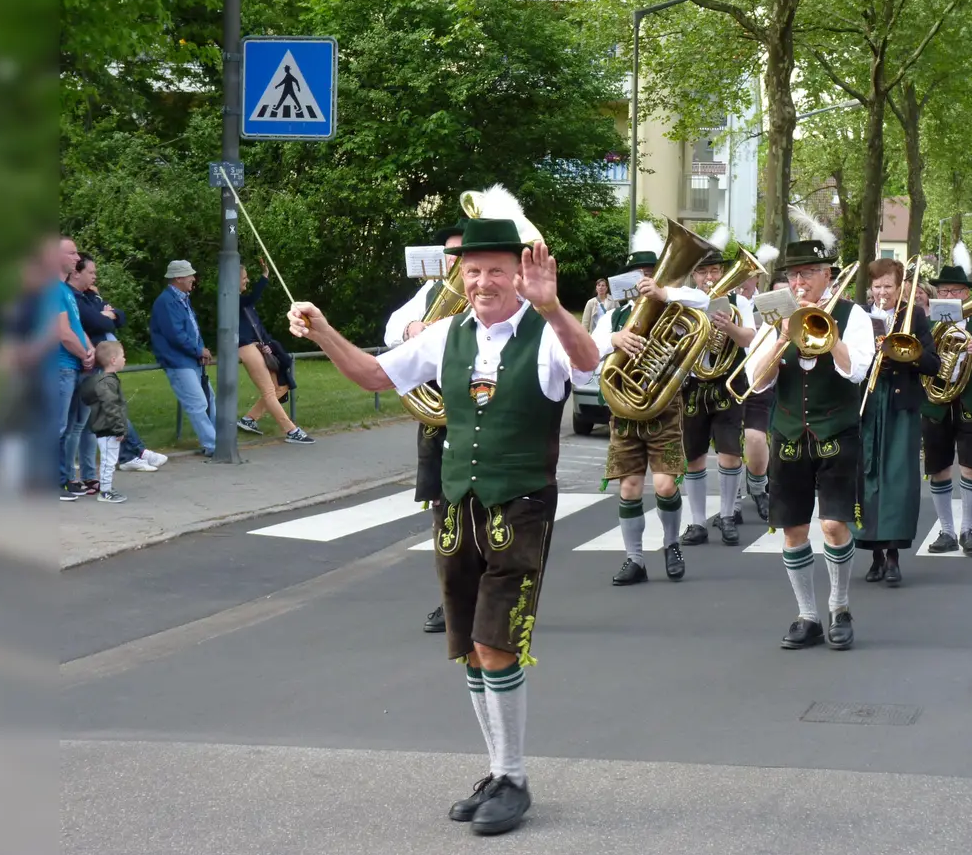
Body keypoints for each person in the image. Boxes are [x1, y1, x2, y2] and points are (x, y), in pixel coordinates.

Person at [286, 214, 600, 837]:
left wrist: (556, 308)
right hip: (458, 504)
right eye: (475, 270)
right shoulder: (446, 333)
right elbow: (376, 376)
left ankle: (512, 776)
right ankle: (498, 770)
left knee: (496, 641)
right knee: (468, 647)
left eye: (497, 271)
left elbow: (589, 366)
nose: (485, 281)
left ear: (520, 274)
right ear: (462, 272)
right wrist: (322, 332)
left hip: (521, 503)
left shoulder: (545, 331)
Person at [741, 213, 874, 650]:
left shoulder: (853, 316)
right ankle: (808, 615)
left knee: (834, 526)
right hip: (789, 436)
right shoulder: (775, 314)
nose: (799, 282)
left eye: (808, 274)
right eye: (793, 274)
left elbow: (856, 370)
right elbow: (754, 382)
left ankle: (839, 605)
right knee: (794, 530)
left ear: (827, 276)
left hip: (837, 431)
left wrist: (825, 327)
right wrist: (781, 336)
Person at [593, 223, 709, 585]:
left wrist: (664, 291)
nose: (643, 280)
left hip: (662, 407)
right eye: (638, 274)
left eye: (649, 273)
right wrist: (614, 338)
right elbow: (587, 357)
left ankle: (672, 544)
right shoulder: (613, 316)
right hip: (624, 409)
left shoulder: (674, 302)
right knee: (628, 487)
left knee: (664, 485)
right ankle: (635, 559)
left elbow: (705, 301)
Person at [385, 221, 467, 635]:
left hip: (482, 416)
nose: (454, 264)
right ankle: (451, 600)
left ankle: (487, 594)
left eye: (462, 256)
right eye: (449, 256)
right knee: (442, 512)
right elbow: (391, 328)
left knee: (487, 513)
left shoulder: (499, 299)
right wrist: (411, 330)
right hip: (438, 420)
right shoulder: (430, 292)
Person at [857, 258, 939, 586]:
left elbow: (932, 363)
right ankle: (874, 555)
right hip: (867, 401)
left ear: (900, 286)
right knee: (868, 476)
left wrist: (907, 355)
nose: (882, 293)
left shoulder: (914, 315)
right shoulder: (860, 315)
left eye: (888, 286)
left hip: (900, 403)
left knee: (898, 479)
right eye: (876, 287)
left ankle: (893, 556)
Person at [918, 260, 972, 556]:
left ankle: (968, 528)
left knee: (970, 467)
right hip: (935, 404)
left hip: (971, 402)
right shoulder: (926, 323)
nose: (950, 295)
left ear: (966, 294)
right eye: (944, 290)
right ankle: (946, 531)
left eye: (955, 290)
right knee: (939, 468)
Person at [679, 237, 758, 546]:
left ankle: (726, 515)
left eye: (713, 270)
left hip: (727, 384)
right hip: (693, 385)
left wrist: (729, 328)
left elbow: (748, 338)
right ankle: (698, 522)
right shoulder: (683, 303)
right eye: (702, 272)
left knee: (729, 453)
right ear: (693, 276)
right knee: (694, 456)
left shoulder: (738, 302)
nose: (709, 277)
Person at [70, 256, 166, 472]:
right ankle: (135, 453)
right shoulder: (74, 298)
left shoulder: (90, 297)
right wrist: (105, 316)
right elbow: (96, 322)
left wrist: (108, 314)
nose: (95, 277)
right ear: (77, 273)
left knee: (100, 413)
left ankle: (129, 455)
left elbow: (119, 318)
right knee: (103, 411)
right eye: (92, 273)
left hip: (100, 361)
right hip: (92, 362)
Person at [236, 263, 314, 443]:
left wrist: (267, 344)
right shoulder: (232, 299)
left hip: (258, 346)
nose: (247, 280)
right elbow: (252, 298)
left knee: (280, 388)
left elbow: (256, 326)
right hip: (246, 347)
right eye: (243, 277)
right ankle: (291, 431)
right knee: (270, 391)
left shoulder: (243, 302)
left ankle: (249, 419)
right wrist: (264, 277)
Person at [149, 260, 217, 457]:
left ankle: (217, 441)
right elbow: (175, 335)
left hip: (190, 359)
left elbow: (192, 329)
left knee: (208, 399)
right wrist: (198, 350)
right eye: (189, 275)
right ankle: (213, 445)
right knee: (198, 403)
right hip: (178, 361)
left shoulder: (181, 299)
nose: (193, 279)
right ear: (178, 278)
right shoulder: (167, 301)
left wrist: (200, 350)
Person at [50, 237, 96, 500]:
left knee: (68, 427)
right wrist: (84, 354)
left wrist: (88, 349)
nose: (77, 258)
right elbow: (63, 333)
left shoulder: (65, 290)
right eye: (72, 253)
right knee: (56, 426)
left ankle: (65, 478)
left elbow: (77, 328)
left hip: (74, 365)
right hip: (61, 366)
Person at [739, 270, 775, 522]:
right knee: (727, 447)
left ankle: (758, 488)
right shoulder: (724, 301)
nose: (743, 281)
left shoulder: (766, 303)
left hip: (759, 374)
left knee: (755, 437)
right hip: (727, 373)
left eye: (748, 275)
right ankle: (731, 504)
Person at [80, 341, 130, 503]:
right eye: (123, 356)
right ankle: (105, 492)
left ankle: (107, 488)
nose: (125, 359)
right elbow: (111, 406)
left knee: (109, 459)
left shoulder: (107, 380)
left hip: (107, 428)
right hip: (108, 428)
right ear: (113, 360)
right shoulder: (107, 382)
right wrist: (118, 428)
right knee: (109, 461)